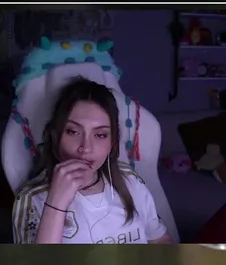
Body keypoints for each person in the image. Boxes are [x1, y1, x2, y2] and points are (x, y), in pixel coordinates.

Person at [11, 77, 171, 244]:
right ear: (56, 135)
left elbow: (160, 240)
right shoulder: (33, 198)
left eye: (100, 135)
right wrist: (56, 203)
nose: (86, 148)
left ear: (112, 142)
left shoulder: (129, 179)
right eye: (73, 132)